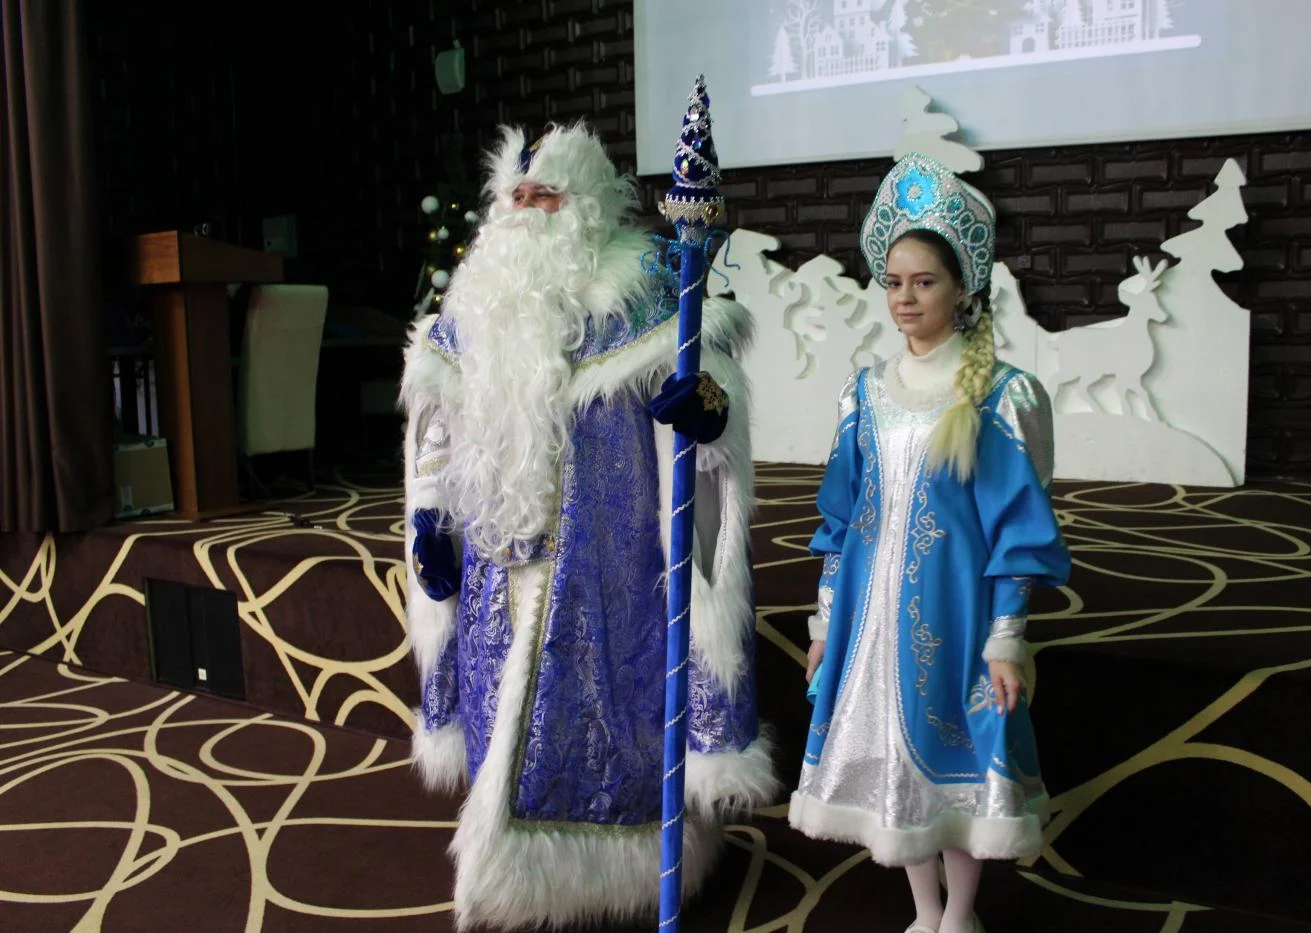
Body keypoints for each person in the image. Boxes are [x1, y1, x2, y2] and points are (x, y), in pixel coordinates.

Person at [398, 120, 778, 931]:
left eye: (546, 195)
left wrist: (706, 413)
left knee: (607, 725)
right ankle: (522, 876)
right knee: (502, 711)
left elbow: (709, 421)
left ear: (588, 206)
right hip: (499, 568)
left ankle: (620, 873)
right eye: (516, 195)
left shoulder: (645, 299)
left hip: (611, 571)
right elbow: (436, 430)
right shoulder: (472, 307)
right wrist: (431, 517)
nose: (526, 208)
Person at [791, 153, 1071, 933]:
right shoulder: (863, 392)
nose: (905, 298)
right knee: (894, 768)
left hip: (955, 613)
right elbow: (841, 519)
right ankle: (924, 911)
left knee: (957, 760)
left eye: (924, 282)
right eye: (893, 282)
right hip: (869, 617)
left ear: (964, 288)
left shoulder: (1001, 395)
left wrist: (1007, 636)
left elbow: (1018, 529)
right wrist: (825, 623)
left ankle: (961, 914)